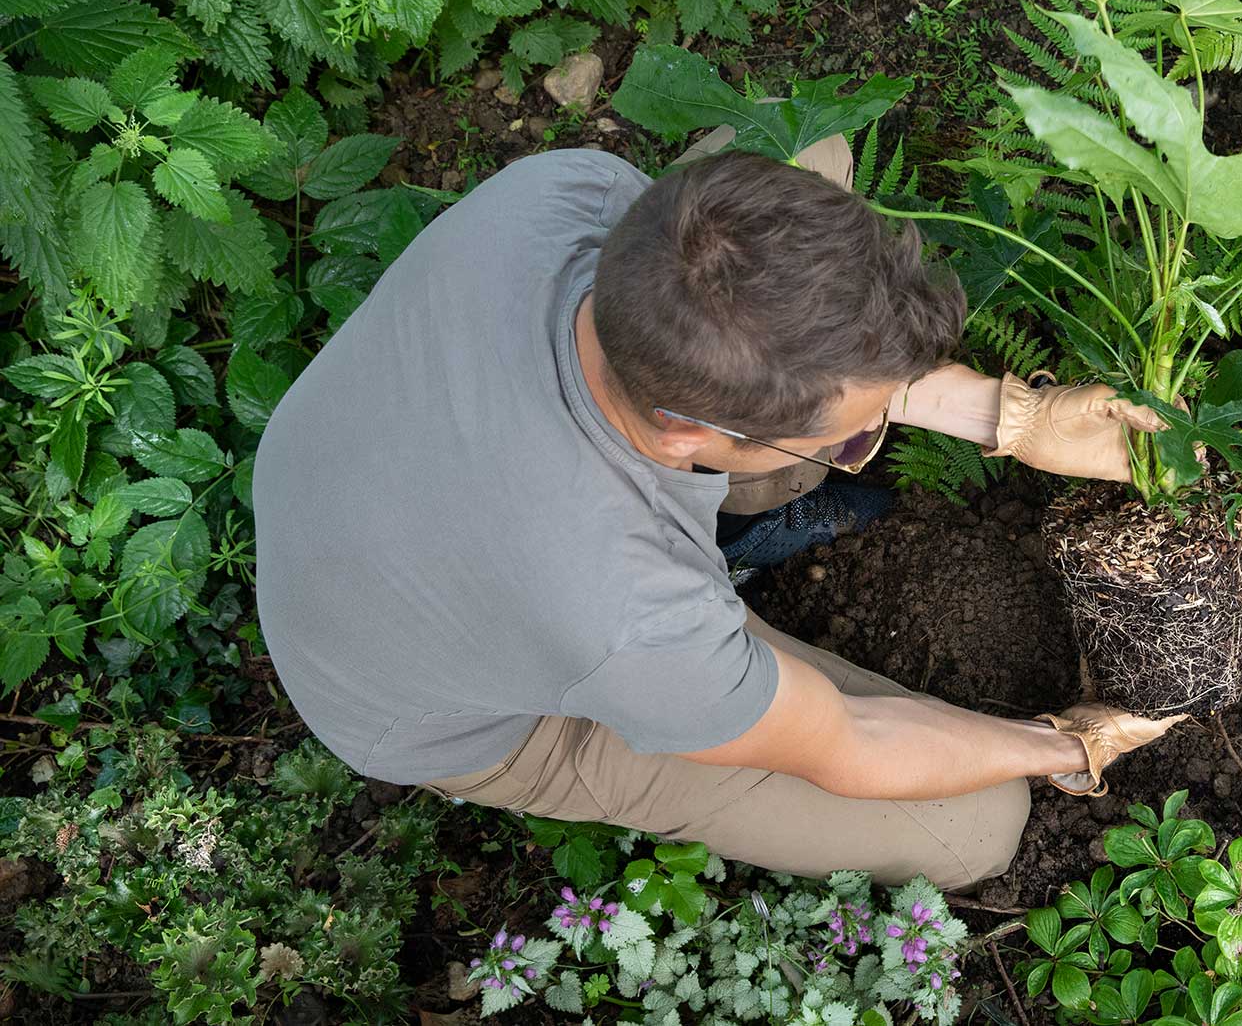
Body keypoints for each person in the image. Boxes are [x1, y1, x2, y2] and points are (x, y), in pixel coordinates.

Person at [253, 130, 1187, 891]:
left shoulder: (563, 198)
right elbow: (849, 742)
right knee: (977, 826)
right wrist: (1062, 740)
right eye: (849, 439)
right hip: (437, 696)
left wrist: (1014, 417)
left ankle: (763, 484)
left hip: (386, 487)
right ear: (681, 431)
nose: (866, 444)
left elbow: (780, 330)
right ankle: (741, 535)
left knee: (807, 149)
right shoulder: (629, 614)